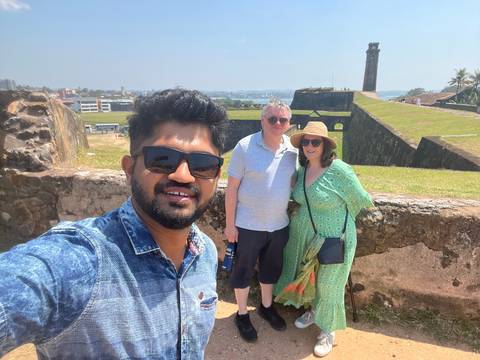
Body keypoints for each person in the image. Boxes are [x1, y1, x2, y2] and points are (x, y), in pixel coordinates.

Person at [0, 89, 229, 359]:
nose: (182, 175)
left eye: (202, 165)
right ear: (129, 169)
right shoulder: (80, 262)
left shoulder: (205, 253)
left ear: (216, 175)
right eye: (162, 159)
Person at [274, 121, 373, 357]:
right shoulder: (302, 170)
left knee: (329, 284)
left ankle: (327, 330)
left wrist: (337, 224)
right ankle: (314, 312)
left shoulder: (339, 170)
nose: (309, 146)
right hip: (305, 235)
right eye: (306, 142)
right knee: (309, 278)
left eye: (315, 142)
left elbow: (361, 200)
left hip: (333, 237)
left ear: (325, 145)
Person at [224, 99, 297, 342]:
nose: (277, 123)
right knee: (242, 272)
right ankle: (242, 314)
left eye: (283, 119)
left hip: (279, 224)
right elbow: (231, 188)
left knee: (270, 270)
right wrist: (229, 224)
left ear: (288, 123)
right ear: (262, 121)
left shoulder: (292, 151)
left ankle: (266, 307)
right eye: (272, 119)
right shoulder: (245, 147)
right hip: (247, 225)